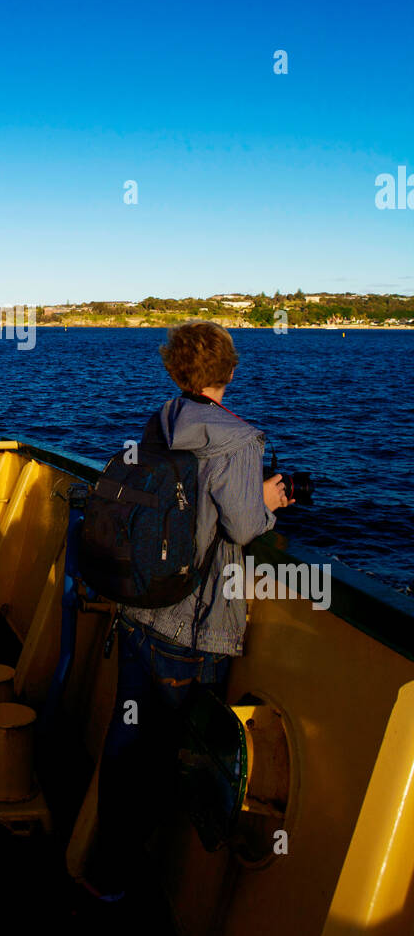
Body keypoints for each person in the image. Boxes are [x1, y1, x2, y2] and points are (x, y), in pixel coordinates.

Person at [84, 320, 291, 901]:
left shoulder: (161, 423)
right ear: (231, 369)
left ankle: (107, 872)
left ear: (175, 370)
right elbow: (245, 526)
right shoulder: (236, 439)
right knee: (176, 753)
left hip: (140, 608)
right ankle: (145, 879)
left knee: (128, 742)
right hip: (193, 628)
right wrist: (271, 500)